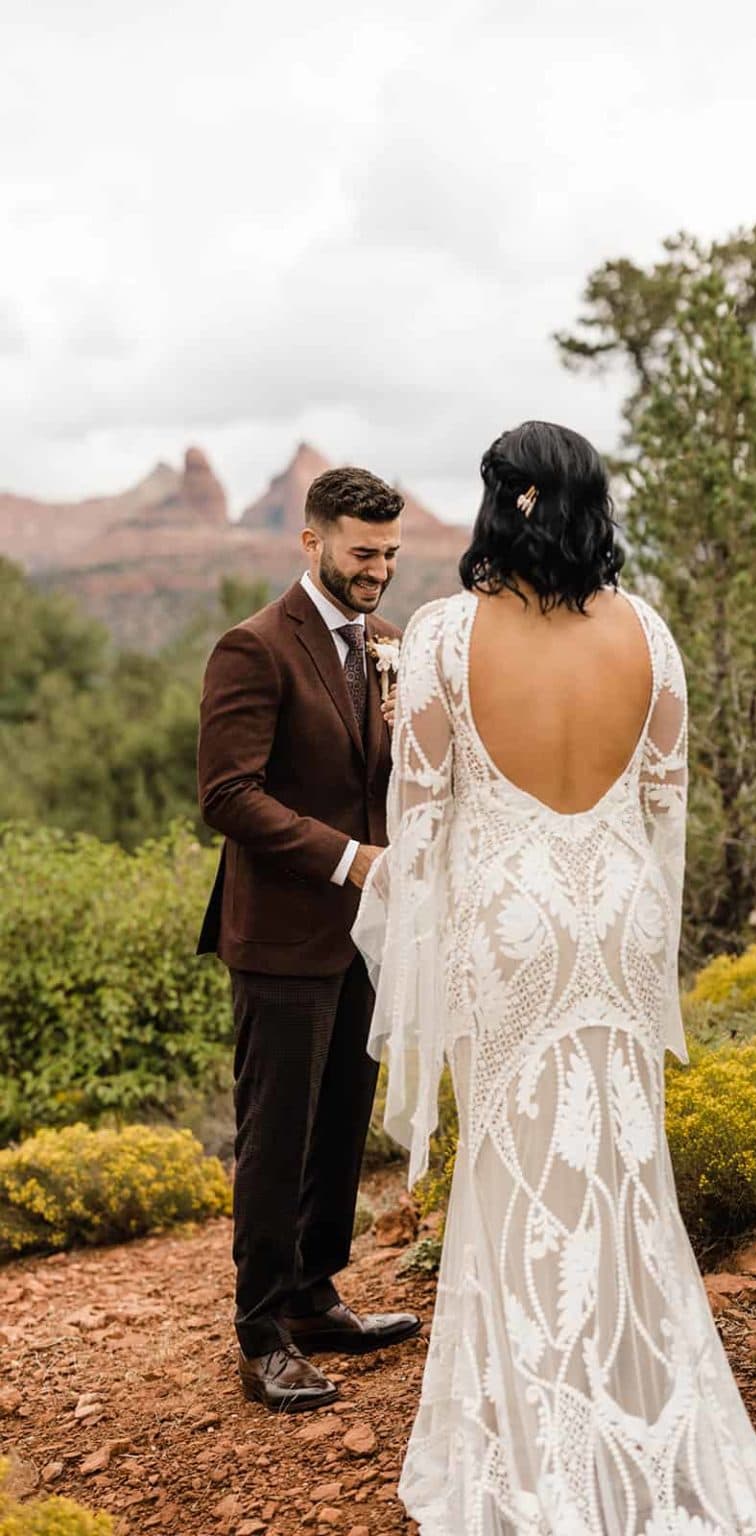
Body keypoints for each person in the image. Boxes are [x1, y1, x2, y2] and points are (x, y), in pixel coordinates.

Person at [352, 423, 756, 1534]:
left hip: (508, 923)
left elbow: (420, 817)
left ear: (506, 503)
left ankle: (534, 1434)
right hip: (616, 918)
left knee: (514, 1174)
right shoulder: (648, 632)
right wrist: (631, 920)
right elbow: (665, 811)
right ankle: (642, 1401)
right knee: (618, 1159)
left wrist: (427, 944)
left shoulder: (449, 635)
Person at [196, 465, 420, 1414]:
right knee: (277, 1134)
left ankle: (318, 1295)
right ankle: (262, 1332)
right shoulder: (252, 648)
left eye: (391, 554)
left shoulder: (386, 646)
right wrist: (351, 861)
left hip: (367, 936)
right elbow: (228, 795)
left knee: (339, 1127)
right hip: (283, 935)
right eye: (363, 553)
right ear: (313, 542)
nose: (378, 570)